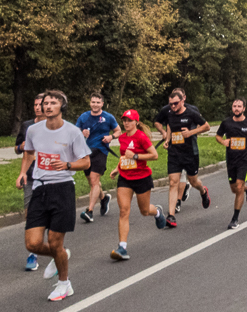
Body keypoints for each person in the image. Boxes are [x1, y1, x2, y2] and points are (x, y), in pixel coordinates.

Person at [17, 90, 91, 302]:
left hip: (63, 188)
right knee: (32, 243)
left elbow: (86, 162)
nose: (47, 106)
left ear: (61, 107)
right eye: (44, 103)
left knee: (54, 242)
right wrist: (23, 172)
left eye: (52, 103)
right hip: (40, 188)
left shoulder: (72, 132)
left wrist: (67, 165)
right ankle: (61, 255)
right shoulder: (33, 130)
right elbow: (29, 152)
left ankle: (64, 284)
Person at [107, 109, 165, 260]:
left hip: (142, 178)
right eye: (124, 120)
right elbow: (123, 157)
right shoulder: (122, 138)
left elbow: (154, 155)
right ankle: (122, 248)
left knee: (144, 211)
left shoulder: (141, 137)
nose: (126, 123)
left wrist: (136, 156)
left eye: (129, 120)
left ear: (136, 122)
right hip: (125, 178)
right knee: (123, 211)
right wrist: (117, 169)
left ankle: (157, 212)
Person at [153, 88, 211, 226]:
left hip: (190, 153)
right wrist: (167, 139)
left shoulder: (191, 112)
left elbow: (207, 126)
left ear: (182, 100)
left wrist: (191, 132)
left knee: (193, 180)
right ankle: (171, 216)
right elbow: (169, 126)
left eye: (176, 103)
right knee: (173, 182)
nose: (173, 106)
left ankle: (203, 191)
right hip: (174, 152)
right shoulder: (169, 112)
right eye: (171, 104)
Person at [215, 99, 247, 230]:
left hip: (244, 159)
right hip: (231, 159)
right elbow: (218, 136)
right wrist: (223, 142)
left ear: (244, 108)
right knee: (234, 189)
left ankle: (235, 218)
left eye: (239, 106)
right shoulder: (226, 122)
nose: (236, 108)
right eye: (234, 106)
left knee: (239, 185)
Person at [15, 92, 46, 271]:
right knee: (29, 213)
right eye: (35, 104)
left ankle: (53, 248)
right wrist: (22, 173)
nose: (37, 107)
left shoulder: (53, 127)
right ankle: (32, 253)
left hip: (49, 177)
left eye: (40, 104)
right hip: (31, 175)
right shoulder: (27, 126)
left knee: (48, 215)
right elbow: (19, 150)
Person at [77, 94, 119, 224]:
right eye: (93, 102)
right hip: (86, 153)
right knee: (91, 182)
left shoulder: (108, 117)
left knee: (95, 180)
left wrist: (111, 137)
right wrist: (81, 133)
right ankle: (103, 198)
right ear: (90, 103)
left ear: (102, 104)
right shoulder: (84, 117)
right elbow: (73, 133)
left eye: (97, 102)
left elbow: (118, 131)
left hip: (101, 150)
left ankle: (89, 211)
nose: (95, 104)